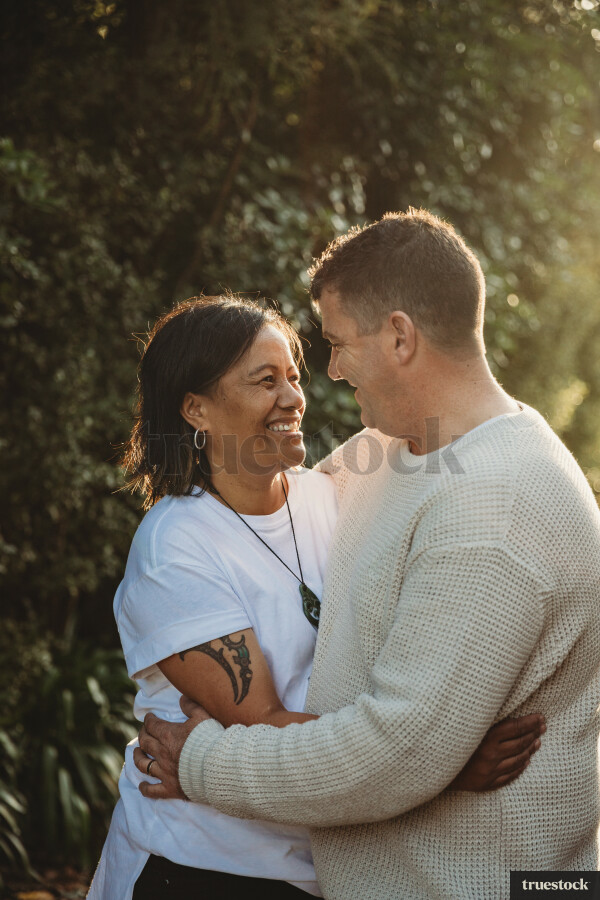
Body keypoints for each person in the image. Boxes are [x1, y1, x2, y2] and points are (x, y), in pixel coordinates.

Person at [136, 210, 600, 900]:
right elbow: (261, 506)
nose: (329, 370)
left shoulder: (493, 511)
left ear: (400, 337)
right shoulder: (401, 451)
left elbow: (394, 754)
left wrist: (201, 762)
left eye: (337, 343)